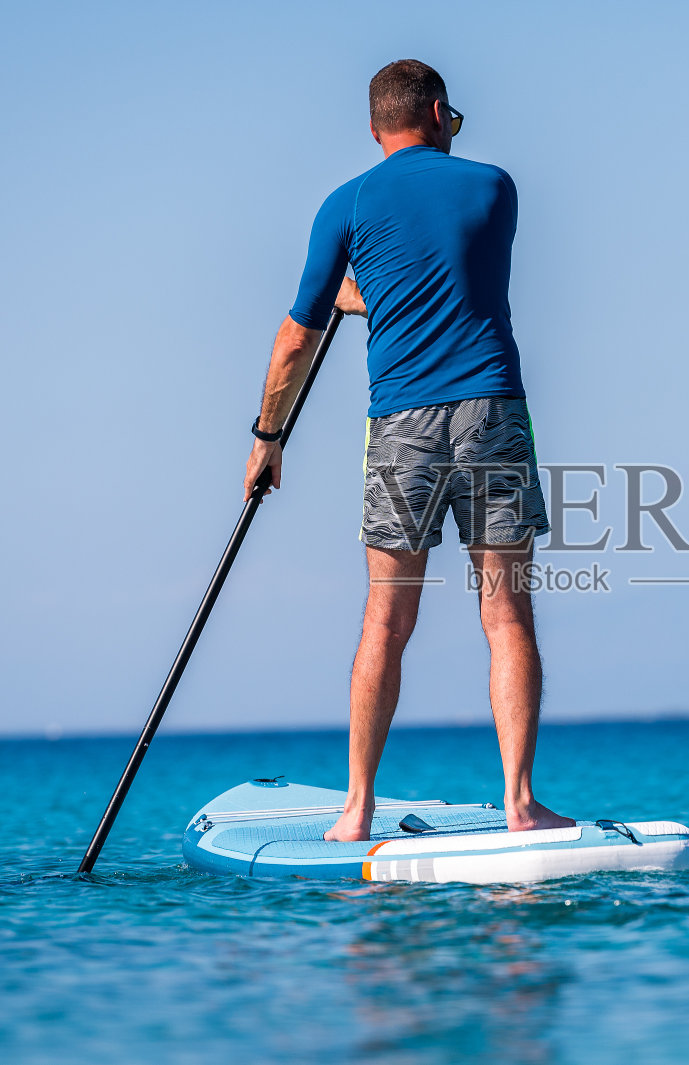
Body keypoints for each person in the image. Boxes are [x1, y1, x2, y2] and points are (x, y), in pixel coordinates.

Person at [242, 59, 573, 842]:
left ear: (373, 129)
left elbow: (298, 336)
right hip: (492, 411)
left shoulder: (344, 205)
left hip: (402, 427)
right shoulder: (496, 187)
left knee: (386, 621)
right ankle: (521, 804)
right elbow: (451, 270)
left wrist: (267, 437)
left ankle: (355, 809)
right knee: (507, 614)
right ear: (436, 112)